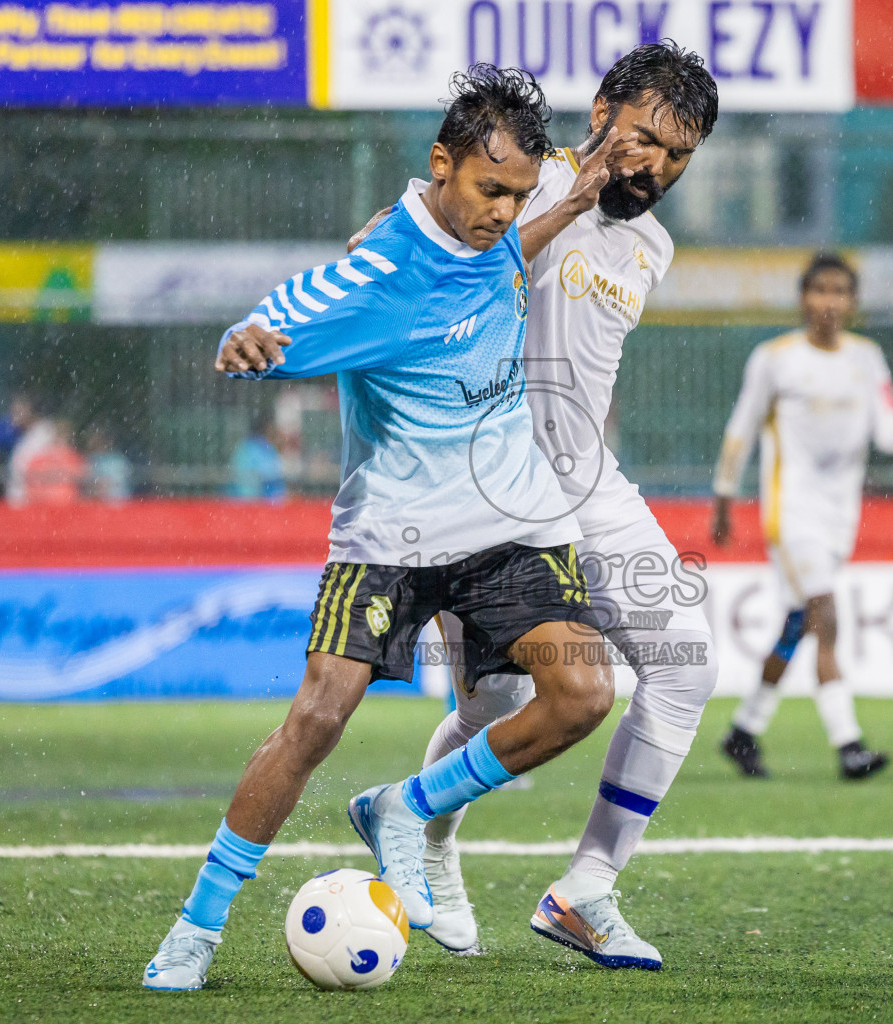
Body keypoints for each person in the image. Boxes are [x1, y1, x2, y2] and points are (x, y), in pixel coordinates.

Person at [142, 65, 626, 992]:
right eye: (490, 190)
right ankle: (197, 927)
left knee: (583, 695)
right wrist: (245, 337)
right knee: (316, 719)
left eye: (517, 194)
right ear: (440, 165)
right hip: (392, 535)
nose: (501, 211)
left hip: (505, 523)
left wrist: (570, 199)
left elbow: (503, 256)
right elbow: (288, 310)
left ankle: (407, 810)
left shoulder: (496, 229)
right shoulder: (379, 271)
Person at [348, 41, 720, 970]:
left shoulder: (652, 243)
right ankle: (427, 837)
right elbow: (379, 253)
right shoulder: (511, 175)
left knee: (686, 668)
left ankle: (585, 887)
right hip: (487, 498)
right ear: (600, 112)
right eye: (643, 139)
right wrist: (566, 203)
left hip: (591, 487)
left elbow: (586, 363)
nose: (655, 167)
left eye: (679, 155)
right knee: (501, 701)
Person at [712, 252, 893, 781]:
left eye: (839, 292)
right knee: (825, 614)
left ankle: (743, 732)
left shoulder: (867, 359)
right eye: (819, 291)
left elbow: (886, 426)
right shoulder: (775, 358)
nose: (828, 302)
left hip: (838, 516)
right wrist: (723, 497)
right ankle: (849, 745)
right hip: (792, 511)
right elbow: (741, 428)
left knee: (793, 626)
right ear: (803, 298)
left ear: (853, 303)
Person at [22, 419, 87, 505]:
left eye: (64, 433)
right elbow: (28, 475)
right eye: (59, 433)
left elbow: (82, 476)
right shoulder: (41, 456)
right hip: (40, 505)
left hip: (67, 506)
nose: (62, 437)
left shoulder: (73, 458)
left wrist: (50, 475)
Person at [6, 397, 57, 505]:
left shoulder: (45, 435)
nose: (13, 416)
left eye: (18, 411)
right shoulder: (24, 436)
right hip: (21, 502)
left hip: (37, 503)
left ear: (30, 410)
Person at [226, 413, 285, 501]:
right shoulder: (253, 448)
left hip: (257, 500)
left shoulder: (258, 446)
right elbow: (270, 474)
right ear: (267, 428)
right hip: (251, 500)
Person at [85, 426, 132, 502]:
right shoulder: (91, 459)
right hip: (96, 501)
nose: (91, 441)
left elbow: (119, 483)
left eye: (97, 439)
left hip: (116, 501)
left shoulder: (118, 460)